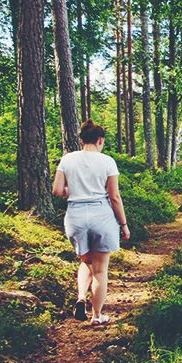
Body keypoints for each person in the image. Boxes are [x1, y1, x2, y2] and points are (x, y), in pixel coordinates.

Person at [52, 119, 130, 325]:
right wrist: (123, 224)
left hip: (76, 218)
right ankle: (97, 315)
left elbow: (57, 190)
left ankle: (80, 298)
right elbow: (114, 197)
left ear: (82, 140)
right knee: (100, 269)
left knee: (86, 261)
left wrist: (75, 192)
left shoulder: (67, 159)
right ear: (100, 140)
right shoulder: (107, 161)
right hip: (101, 216)